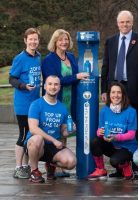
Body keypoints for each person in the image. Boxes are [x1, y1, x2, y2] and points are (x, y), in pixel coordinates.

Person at [100, 10, 138, 178]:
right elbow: (105, 67)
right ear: (117, 24)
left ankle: (135, 165)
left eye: (127, 22)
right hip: (114, 88)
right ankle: (120, 166)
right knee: (115, 124)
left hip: (133, 89)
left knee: (133, 126)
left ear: (132, 23)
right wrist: (104, 90)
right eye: (122, 22)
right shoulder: (110, 41)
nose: (124, 25)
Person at [42, 29, 89, 177]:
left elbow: (78, 79)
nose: (64, 42)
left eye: (66, 39)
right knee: (55, 130)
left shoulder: (71, 57)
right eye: (61, 39)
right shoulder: (49, 60)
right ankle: (51, 167)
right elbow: (54, 81)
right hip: (57, 100)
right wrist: (76, 76)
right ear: (55, 42)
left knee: (65, 131)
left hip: (71, 100)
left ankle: (60, 166)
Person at [24, 75, 77, 183]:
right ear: (44, 86)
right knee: (37, 139)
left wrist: (70, 131)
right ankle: (34, 171)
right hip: (36, 145)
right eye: (50, 84)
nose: (53, 87)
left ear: (59, 87)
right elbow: (33, 129)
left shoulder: (62, 108)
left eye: (56, 84)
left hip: (52, 146)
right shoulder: (36, 104)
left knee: (71, 162)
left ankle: (50, 164)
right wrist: (54, 140)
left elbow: (63, 132)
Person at [87, 82, 138, 180]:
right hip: (112, 145)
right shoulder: (105, 110)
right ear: (109, 94)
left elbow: (131, 135)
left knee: (114, 161)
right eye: (113, 92)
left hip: (127, 147)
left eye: (119, 92)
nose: (116, 95)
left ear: (123, 95)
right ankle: (101, 169)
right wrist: (100, 133)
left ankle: (126, 165)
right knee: (94, 141)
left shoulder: (131, 111)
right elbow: (99, 130)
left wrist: (115, 136)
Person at [9, 27, 41, 179]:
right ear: (25, 40)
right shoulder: (20, 58)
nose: (33, 42)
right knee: (23, 135)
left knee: (31, 135)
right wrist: (23, 86)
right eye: (30, 39)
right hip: (22, 104)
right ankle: (17, 167)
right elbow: (12, 79)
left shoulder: (39, 57)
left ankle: (27, 167)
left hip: (35, 104)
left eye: (35, 39)